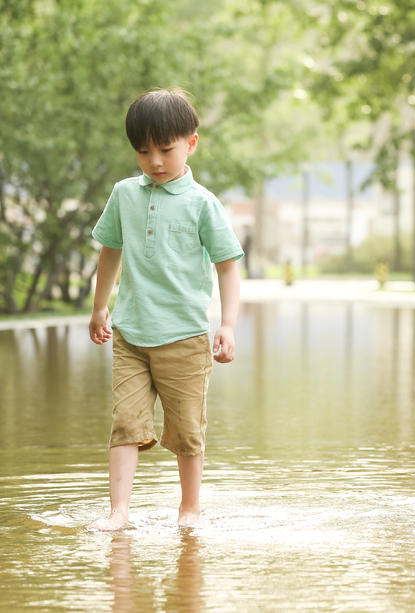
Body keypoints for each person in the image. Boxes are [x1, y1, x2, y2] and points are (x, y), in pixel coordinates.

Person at [87, 89, 244, 530]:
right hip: (131, 333)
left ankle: (189, 509)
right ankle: (119, 512)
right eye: (143, 151)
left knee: (188, 430)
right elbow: (109, 252)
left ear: (191, 143)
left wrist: (228, 324)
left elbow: (227, 267)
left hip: (185, 337)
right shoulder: (124, 195)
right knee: (125, 424)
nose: (155, 160)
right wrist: (101, 307)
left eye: (165, 149)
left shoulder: (203, 204)